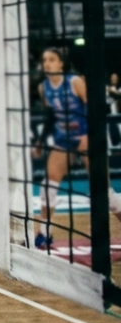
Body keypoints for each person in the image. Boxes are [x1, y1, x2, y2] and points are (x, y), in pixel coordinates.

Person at [31, 48, 121, 250]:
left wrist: (88, 135)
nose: (47, 63)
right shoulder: (43, 88)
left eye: (52, 59)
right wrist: (40, 142)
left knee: (105, 193)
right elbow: (51, 117)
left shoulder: (75, 82)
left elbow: (96, 109)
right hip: (64, 140)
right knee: (48, 185)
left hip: (88, 136)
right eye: (44, 60)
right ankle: (44, 232)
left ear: (61, 63)